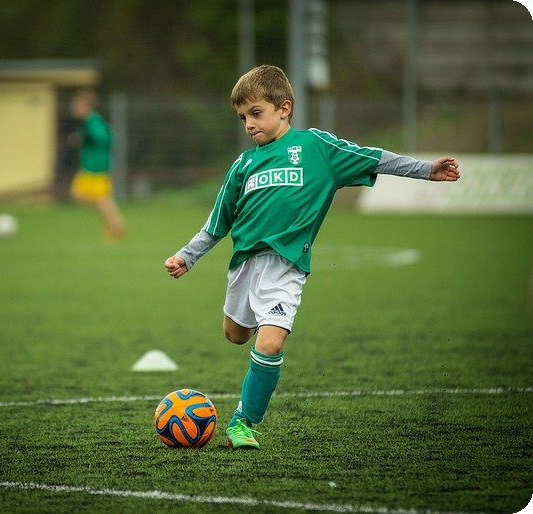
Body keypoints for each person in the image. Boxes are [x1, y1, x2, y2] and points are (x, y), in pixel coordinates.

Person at [164, 65, 460, 450]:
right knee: (235, 335)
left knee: (270, 344)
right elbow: (217, 222)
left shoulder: (316, 147)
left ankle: (243, 422)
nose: (249, 124)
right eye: (242, 118)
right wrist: (187, 257)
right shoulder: (243, 165)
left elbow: (373, 158)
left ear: (284, 108)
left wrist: (426, 170)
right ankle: (256, 336)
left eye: (256, 113)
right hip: (244, 266)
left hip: (287, 267)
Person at [69, 88, 127, 240]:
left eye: (77, 104)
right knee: (85, 196)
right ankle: (114, 222)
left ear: (86, 105)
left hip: (96, 166)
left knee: (96, 198)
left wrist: (85, 137)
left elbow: (104, 137)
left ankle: (115, 224)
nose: (74, 107)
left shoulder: (93, 120)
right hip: (90, 165)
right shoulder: (88, 122)